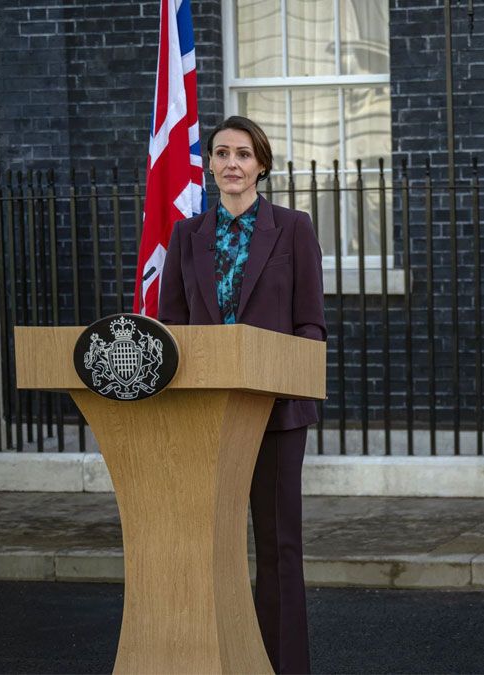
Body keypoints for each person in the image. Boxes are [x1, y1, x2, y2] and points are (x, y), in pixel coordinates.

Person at [158, 115, 325, 674]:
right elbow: (173, 329)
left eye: (244, 154)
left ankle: (283, 666)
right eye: (223, 153)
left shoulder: (293, 228)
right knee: (211, 549)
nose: (233, 163)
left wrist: (286, 377)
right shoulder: (187, 235)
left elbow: (310, 325)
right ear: (208, 164)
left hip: (277, 413)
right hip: (208, 415)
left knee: (278, 549)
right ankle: (219, 658)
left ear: (262, 165)